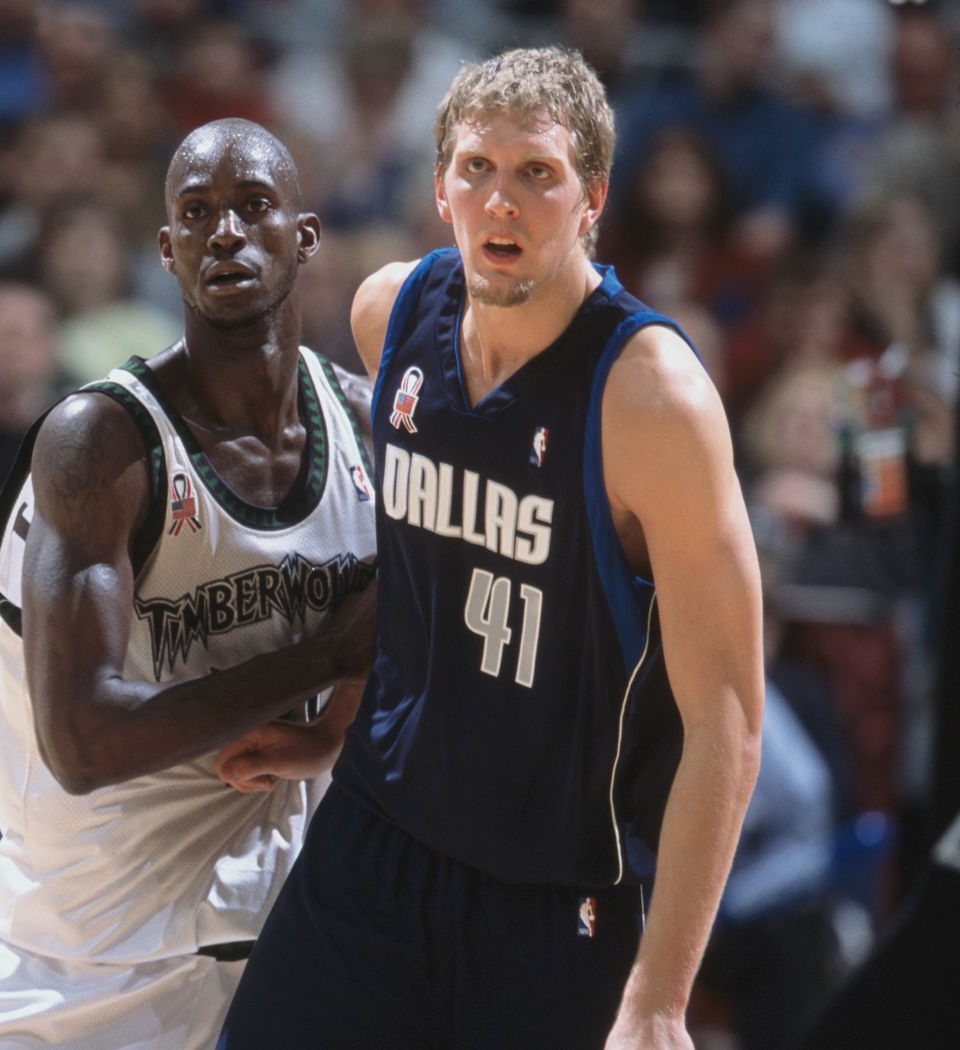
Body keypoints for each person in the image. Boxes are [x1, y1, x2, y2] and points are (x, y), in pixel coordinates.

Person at [220, 47, 764, 1050]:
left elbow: (724, 714)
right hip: (372, 846)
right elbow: (418, 581)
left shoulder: (650, 399)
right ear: (438, 185)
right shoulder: (388, 313)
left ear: (592, 197)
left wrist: (658, 997)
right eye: (476, 167)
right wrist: (342, 726)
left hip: (550, 900)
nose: (499, 201)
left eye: (536, 174)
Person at [0, 118, 378, 1050]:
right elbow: (82, 740)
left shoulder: (365, 427)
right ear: (167, 252)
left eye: (253, 206)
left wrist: (335, 723)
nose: (226, 233)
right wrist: (327, 656)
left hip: (267, 944)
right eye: (197, 214)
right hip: (70, 960)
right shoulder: (100, 443)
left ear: (305, 236)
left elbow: (414, 629)